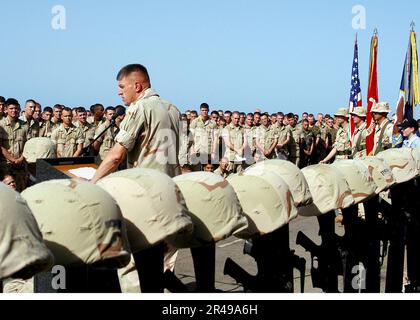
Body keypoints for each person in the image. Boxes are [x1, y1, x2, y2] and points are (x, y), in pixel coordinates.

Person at [91, 63, 182, 183]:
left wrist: (92, 183)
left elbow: (116, 156)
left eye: (122, 87)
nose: (119, 92)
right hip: (172, 186)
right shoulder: (173, 109)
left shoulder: (139, 107)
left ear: (137, 87)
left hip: (147, 187)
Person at [0, 98, 29, 191]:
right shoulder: (1, 125)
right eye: (11, 108)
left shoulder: (24, 125)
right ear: (6, 109)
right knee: (8, 192)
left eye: (16, 108)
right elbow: (0, 146)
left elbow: (28, 145)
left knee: (22, 191)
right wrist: (12, 159)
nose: (14, 111)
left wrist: (20, 159)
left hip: (21, 166)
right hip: (6, 166)